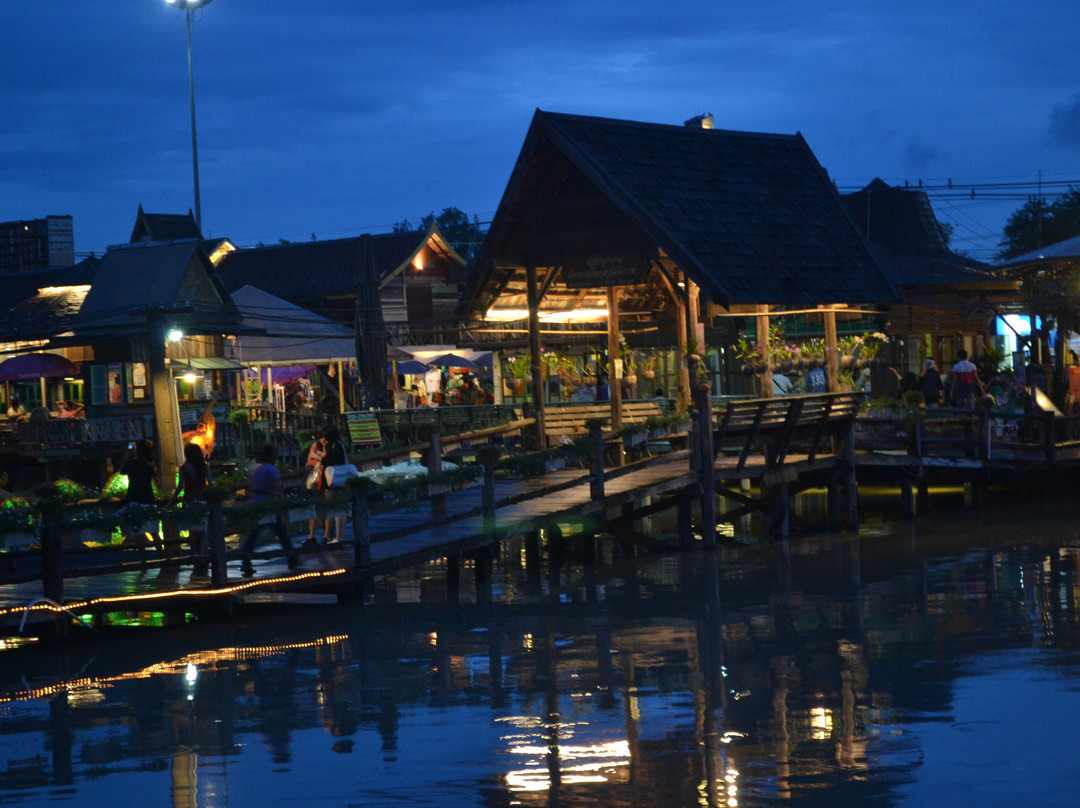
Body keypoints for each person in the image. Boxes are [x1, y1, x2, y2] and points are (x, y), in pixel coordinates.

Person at [241, 444, 300, 573]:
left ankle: (246, 560)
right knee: (280, 531)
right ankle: (292, 558)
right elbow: (275, 486)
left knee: (254, 533)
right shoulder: (271, 469)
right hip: (269, 503)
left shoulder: (252, 468)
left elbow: (249, 486)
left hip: (256, 501)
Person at [171, 442, 212, 574]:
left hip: (188, 501)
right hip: (203, 501)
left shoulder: (183, 468)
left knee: (192, 531)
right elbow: (211, 484)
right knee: (204, 530)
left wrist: (171, 501)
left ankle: (194, 554)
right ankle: (202, 554)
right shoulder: (205, 467)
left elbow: (179, 488)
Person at [120, 439, 161, 552]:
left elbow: (121, 471)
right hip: (149, 498)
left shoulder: (132, 464)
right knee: (154, 532)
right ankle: (162, 556)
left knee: (139, 532)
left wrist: (128, 456)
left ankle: (143, 560)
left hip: (134, 498)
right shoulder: (151, 464)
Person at [312, 425, 347, 545]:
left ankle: (339, 537)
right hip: (334, 483)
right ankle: (336, 536)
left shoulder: (336, 446)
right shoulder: (335, 445)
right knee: (337, 510)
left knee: (337, 510)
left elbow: (330, 461)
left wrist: (322, 456)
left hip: (335, 482)